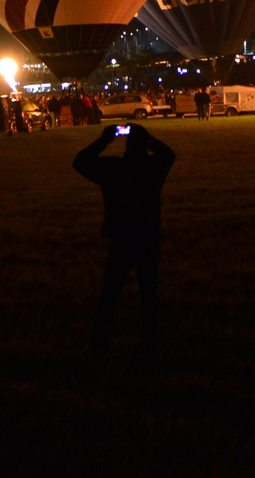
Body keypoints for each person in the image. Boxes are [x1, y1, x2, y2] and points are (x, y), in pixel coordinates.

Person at [72, 123, 176, 356]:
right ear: (144, 145)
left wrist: (104, 140)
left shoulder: (113, 168)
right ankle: (149, 345)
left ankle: (100, 344)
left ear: (126, 145)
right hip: (148, 236)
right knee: (149, 293)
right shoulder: (152, 168)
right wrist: (150, 139)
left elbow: (80, 162)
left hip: (122, 237)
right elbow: (169, 155)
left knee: (110, 293)